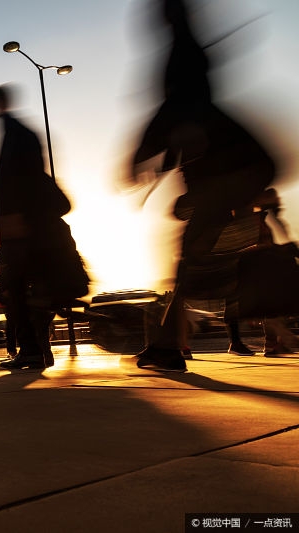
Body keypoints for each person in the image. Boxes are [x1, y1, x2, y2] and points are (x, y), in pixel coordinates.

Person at [127, 0, 276, 372]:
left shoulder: (181, 54)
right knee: (200, 258)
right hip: (232, 171)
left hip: (222, 175)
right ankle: (170, 345)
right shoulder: (189, 50)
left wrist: (143, 155)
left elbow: (177, 105)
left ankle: (168, 347)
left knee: (192, 258)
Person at [0, 84, 89, 371]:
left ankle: (32, 350)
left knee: (18, 290)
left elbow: (14, 181)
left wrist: (14, 220)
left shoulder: (15, 135)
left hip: (23, 227)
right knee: (34, 291)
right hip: (32, 226)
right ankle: (37, 349)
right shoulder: (17, 132)